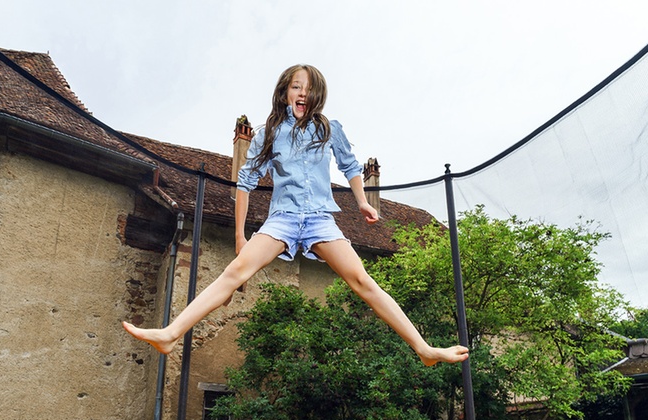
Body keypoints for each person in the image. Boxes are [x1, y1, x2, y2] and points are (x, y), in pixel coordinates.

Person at [123, 64, 468, 366]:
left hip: (320, 218)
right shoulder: (270, 134)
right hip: (283, 218)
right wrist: (241, 236)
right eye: (296, 86)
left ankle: (423, 348)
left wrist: (362, 201)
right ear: (286, 93)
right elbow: (245, 181)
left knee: (362, 281)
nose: (303, 93)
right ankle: (171, 333)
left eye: (309, 88)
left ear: (317, 95)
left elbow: (349, 165)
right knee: (234, 272)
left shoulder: (328, 129)